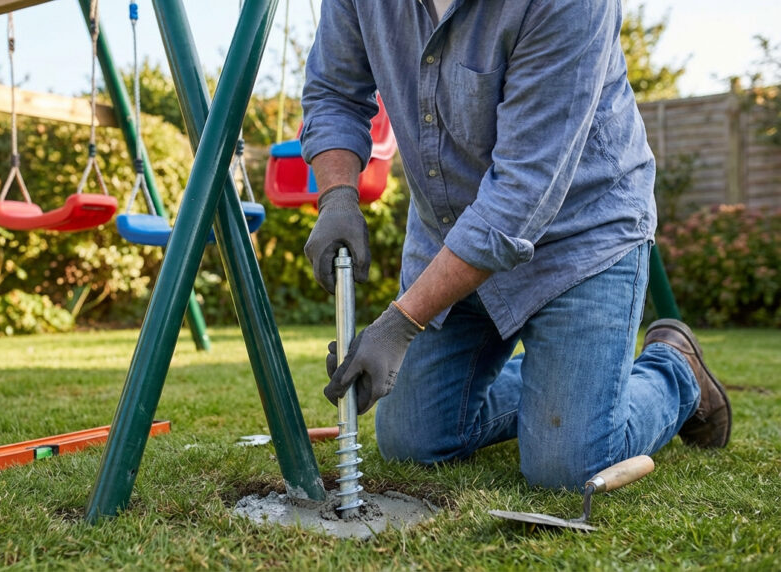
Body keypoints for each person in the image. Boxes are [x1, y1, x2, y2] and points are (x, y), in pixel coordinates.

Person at [301, 0, 731, 489]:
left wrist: (399, 324)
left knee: (567, 467)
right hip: (450, 231)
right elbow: (335, 92)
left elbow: (521, 193)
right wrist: (337, 196)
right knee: (412, 443)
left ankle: (677, 372)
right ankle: (567, 389)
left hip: (578, 237)